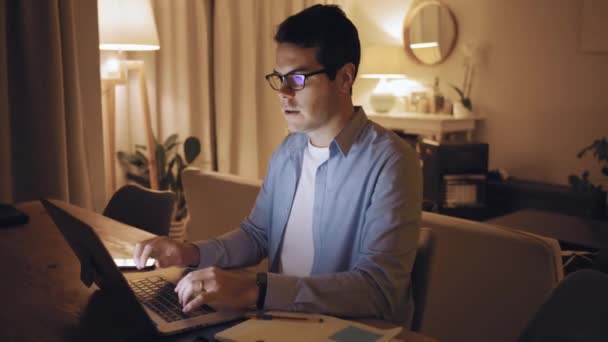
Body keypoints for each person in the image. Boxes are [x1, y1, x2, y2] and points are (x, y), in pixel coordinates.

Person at [133, 4, 422, 325]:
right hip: (278, 320)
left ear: (344, 78)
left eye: (297, 78)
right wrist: (188, 253)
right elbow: (258, 235)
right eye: (279, 78)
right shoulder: (290, 149)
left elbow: (377, 290)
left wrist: (253, 290)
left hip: (348, 329)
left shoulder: (392, 161)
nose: (283, 93)